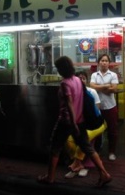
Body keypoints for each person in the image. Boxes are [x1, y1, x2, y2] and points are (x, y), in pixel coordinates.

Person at [37, 56, 112, 186]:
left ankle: (50, 177)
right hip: (80, 120)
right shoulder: (78, 80)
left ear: (62, 69)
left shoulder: (65, 83)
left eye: (58, 68)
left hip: (67, 122)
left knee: (55, 147)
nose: (58, 70)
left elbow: (69, 104)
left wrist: (72, 123)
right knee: (87, 148)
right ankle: (104, 174)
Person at [64, 71, 107, 178]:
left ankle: (78, 164)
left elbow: (95, 111)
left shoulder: (91, 91)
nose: (81, 80)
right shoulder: (73, 94)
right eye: (79, 78)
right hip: (81, 124)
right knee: (68, 140)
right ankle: (79, 164)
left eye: (83, 78)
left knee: (84, 140)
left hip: (96, 123)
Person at [90, 54, 119, 161]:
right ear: (99, 62)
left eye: (106, 61)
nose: (104, 62)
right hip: (98, 107)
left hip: (110, 106)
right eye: (102, 60)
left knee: (112, 130)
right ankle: (97, 151)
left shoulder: (113, 75)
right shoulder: (94, 75)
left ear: (109, 63)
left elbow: (114, 89)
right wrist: (106, 86)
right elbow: (92, 87)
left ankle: (111, 152)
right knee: (97, 130)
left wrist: (99, 88)